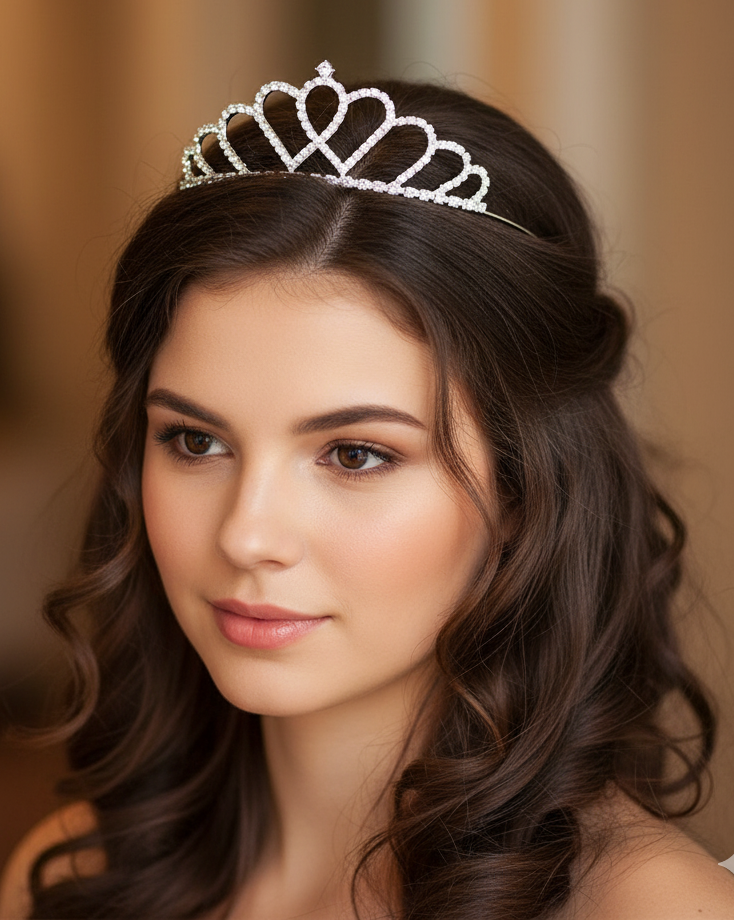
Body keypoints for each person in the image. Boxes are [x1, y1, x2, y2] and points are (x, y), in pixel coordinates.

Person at [1, 61, 733, 920]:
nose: (248, 533)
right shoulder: (68, 873)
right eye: (195, 440)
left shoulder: (649, 910)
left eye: (353, 454)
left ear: (526, 487)